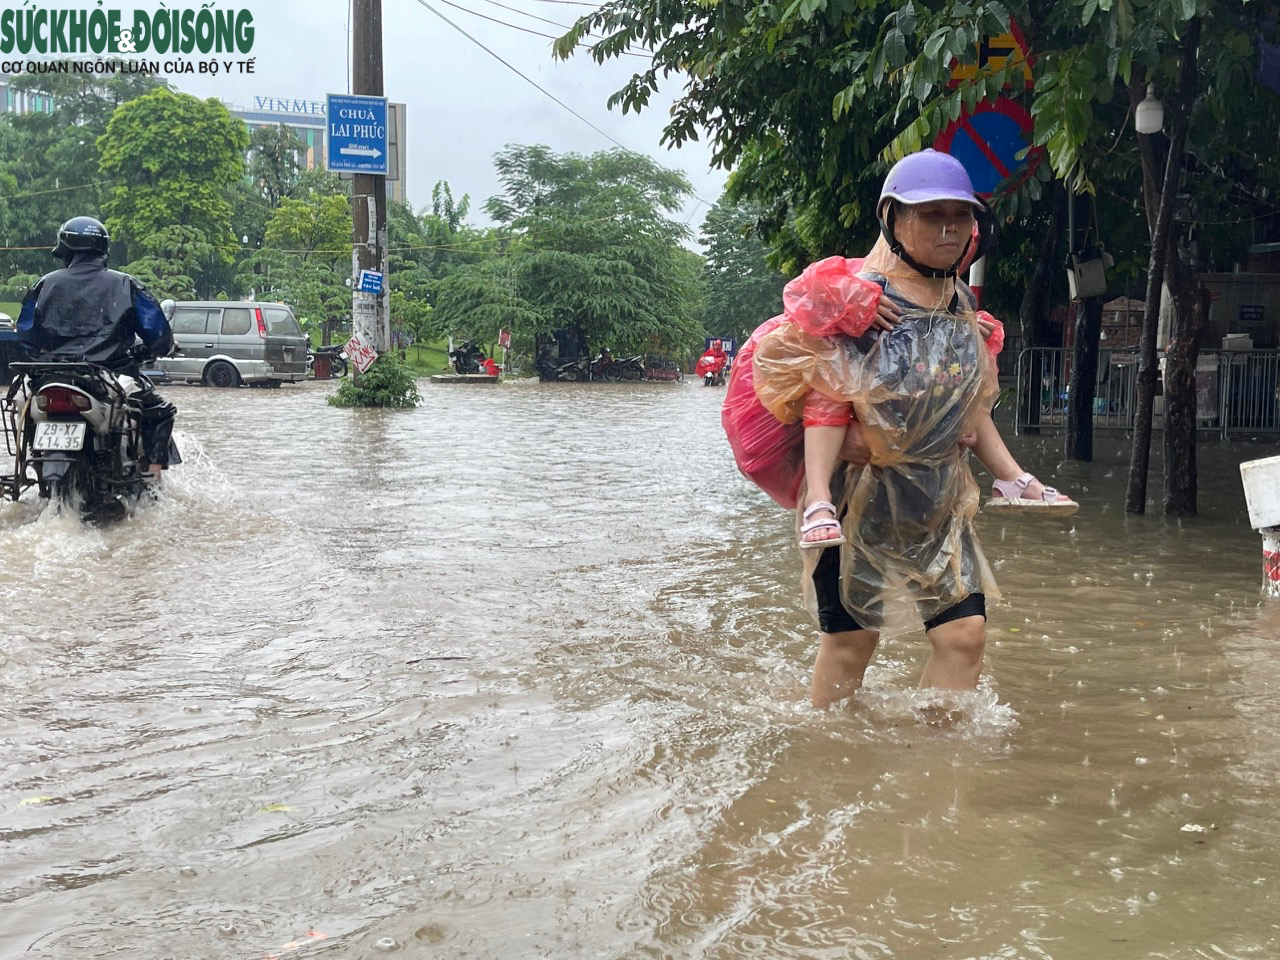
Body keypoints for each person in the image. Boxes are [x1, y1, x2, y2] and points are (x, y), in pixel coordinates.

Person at [751, 150, 1072, 707]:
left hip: (938, 498)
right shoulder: (859, 299)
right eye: (930, 214)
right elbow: (798, 377)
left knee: (963, 635)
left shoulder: (962, 304)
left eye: (961, 214)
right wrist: (843, 318)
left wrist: (1015, 476)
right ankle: (831, 760)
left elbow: (971, 406)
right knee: (852, 643)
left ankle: (932, 763)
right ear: (893, 220)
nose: (949, 226)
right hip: (858, 501)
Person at [17, 216, 179, 479]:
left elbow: (26, 334)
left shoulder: (45, 283)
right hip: (109, 378)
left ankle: (32, 465)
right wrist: (163, 346)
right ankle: (153, 478)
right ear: (103, 250)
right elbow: (157, 336)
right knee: (160, 413)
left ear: (66, 250)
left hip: (49, 376)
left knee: (25, 407)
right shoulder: (126, 284)